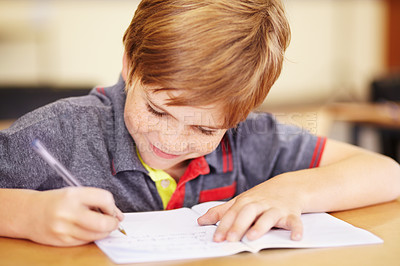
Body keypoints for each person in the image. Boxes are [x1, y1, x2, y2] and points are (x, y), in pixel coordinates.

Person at [0, 0, 399, 247]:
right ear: (129, 64)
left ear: (242, 114)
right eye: (157, 111)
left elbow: (387, 173)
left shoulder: (251, 138)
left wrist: (290, 191)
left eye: (205, 129)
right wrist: (26, 214)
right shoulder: (63, 130)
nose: (171, 140)